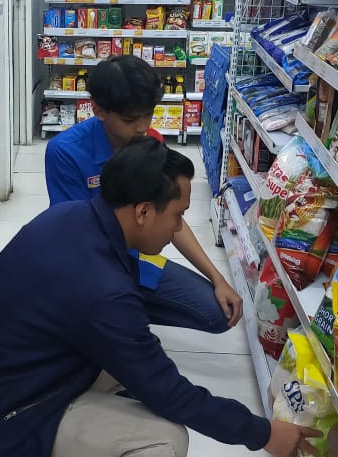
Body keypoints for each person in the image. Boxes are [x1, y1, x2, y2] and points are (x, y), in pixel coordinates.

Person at [0, 139, 319, 457]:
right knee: (165, 448)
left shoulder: (72, 217)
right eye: (176, 216)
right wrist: (263, 434)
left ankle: (66, 444)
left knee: (136, 371)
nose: (178, 228)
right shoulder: (103, 292)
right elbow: (170, 393)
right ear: (142, 212)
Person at [44, 54, 243, 334]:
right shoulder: (65, 152)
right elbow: (74, 239)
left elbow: (170, 218)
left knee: (218, 314)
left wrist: (217, 278)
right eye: (129, 119)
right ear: (98, 110)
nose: (141, 127)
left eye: (148, 115)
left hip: (135, 258)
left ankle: (127, 307)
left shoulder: (151, 143)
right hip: (86, 267)